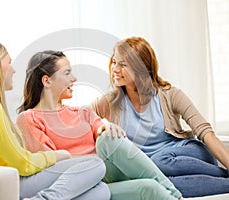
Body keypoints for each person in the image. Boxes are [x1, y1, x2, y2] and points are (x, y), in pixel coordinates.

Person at [16, 50, 183, 200]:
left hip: (107, 169)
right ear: (47, 81)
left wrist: (107, 126)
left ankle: (176, 197)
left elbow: (104, 134)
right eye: (67, 73)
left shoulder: (83, 112)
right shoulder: (29, 118)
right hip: (86, 181)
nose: (74, 79)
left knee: (108, 139)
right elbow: (53, 165)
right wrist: (91, 164)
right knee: (149, 188)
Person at [0, 41, 111, 200]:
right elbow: (22, 163)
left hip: (10, 182)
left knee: (101, 191)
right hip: (16, 183)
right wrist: (59, 155)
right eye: (9, 63)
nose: (13, 70)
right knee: (95, 164)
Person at [90, 36, 229, 197]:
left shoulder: (170, 94)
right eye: (114, 62)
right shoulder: (110, 102)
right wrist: (100, 123)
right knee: (160, 185)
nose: (115, 69)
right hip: (153, 169)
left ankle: (223, 174)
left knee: (159, 161)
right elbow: (80, 116)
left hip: (188, 155)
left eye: (123, 64)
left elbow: (205, 132)